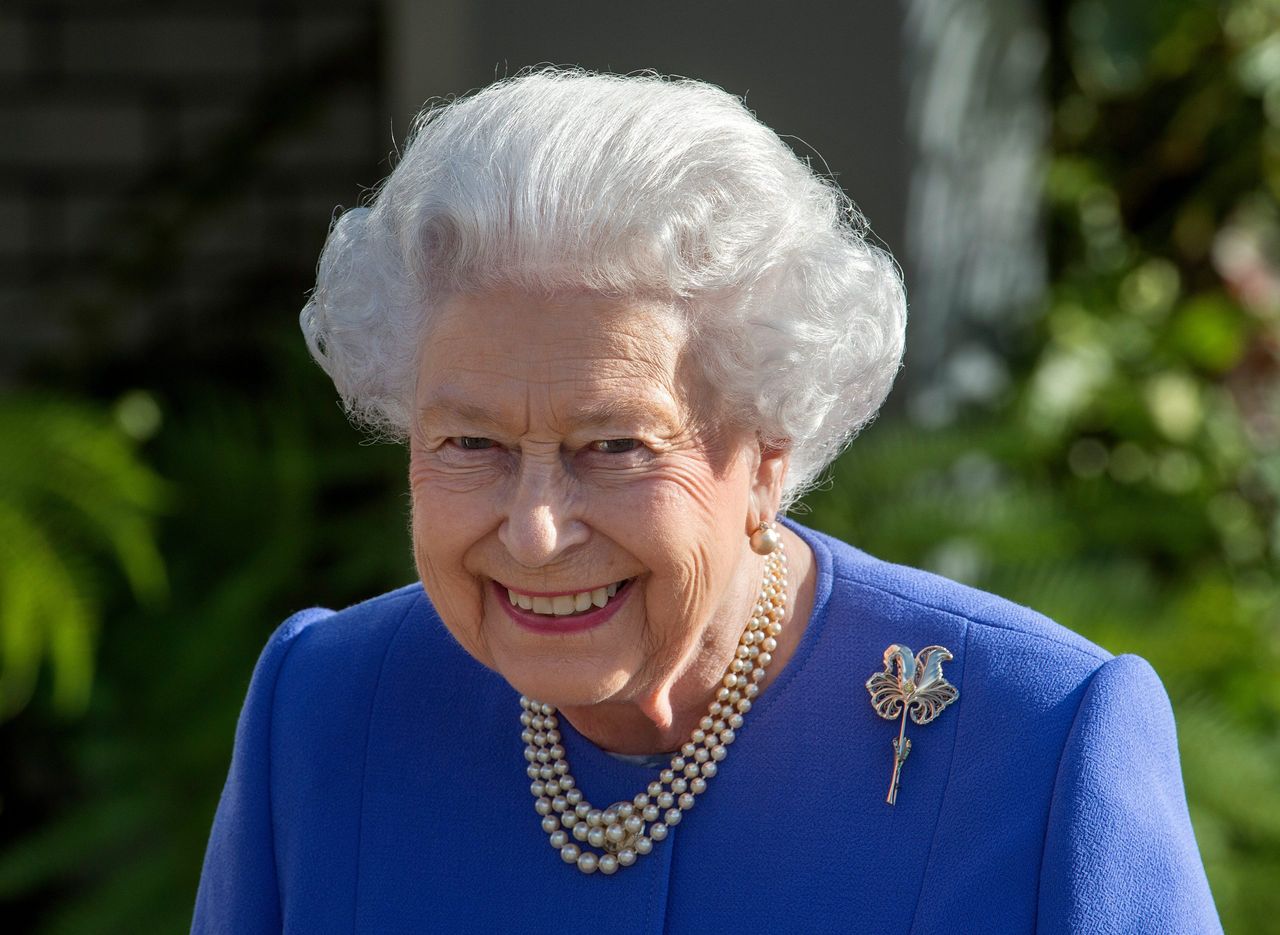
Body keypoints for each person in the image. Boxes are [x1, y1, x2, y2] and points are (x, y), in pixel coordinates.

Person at [191, 69, 1221, 933]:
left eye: (613, 445)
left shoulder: (1037, 740)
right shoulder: (325, 709)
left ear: (769, 451)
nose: (535, 528)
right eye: (471, 442)